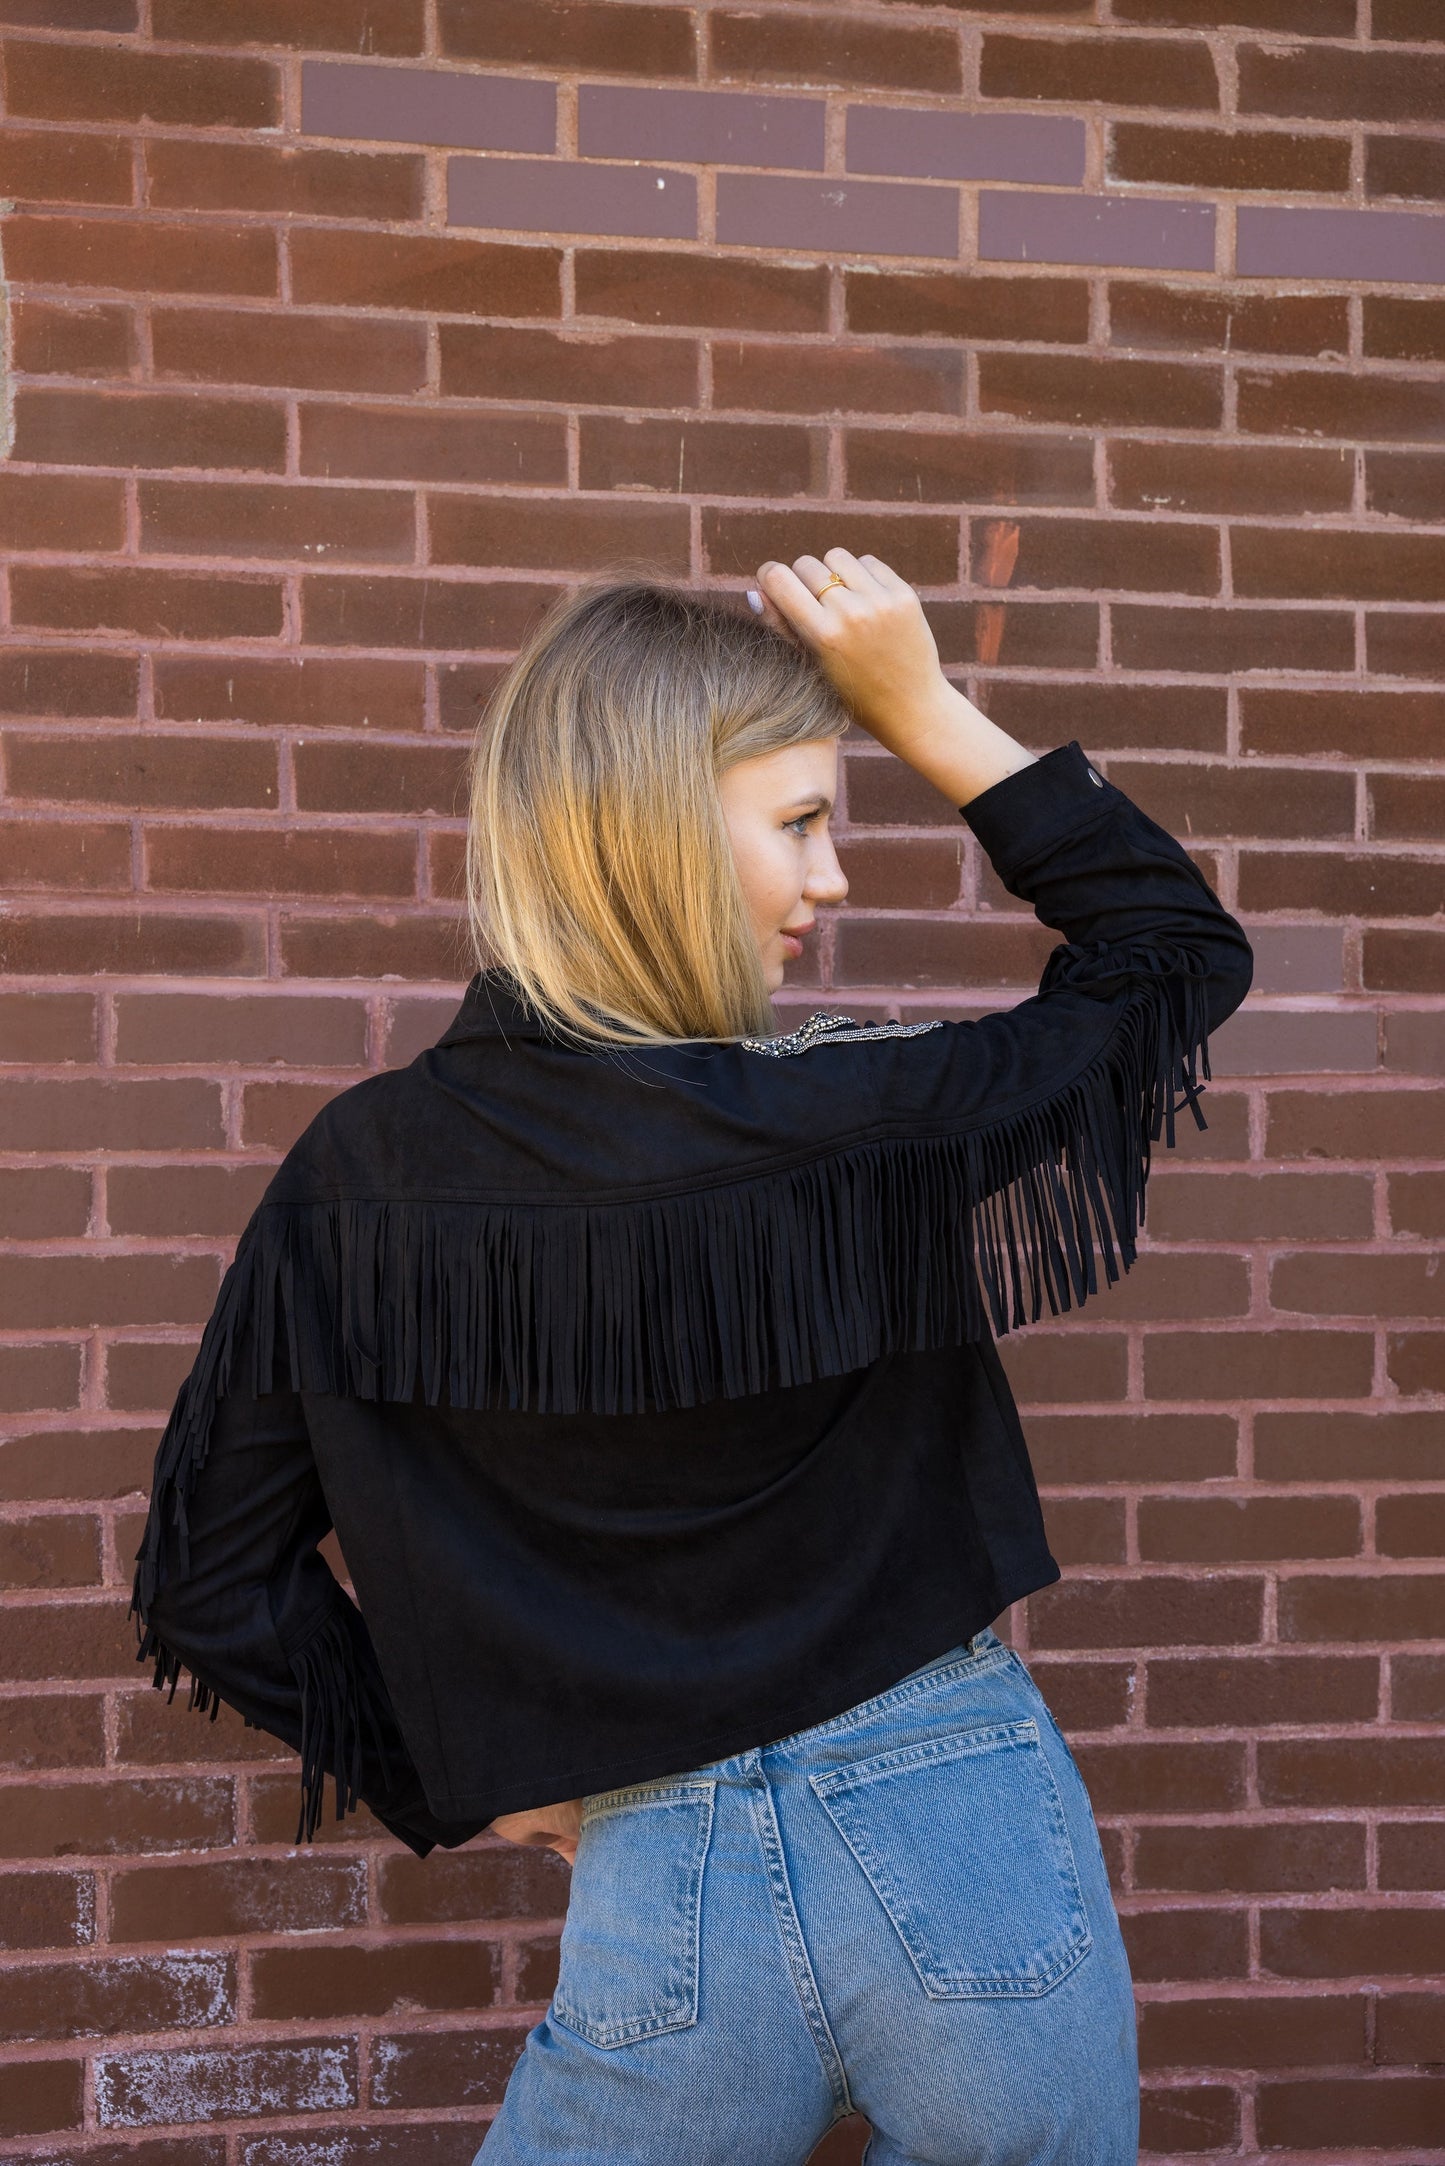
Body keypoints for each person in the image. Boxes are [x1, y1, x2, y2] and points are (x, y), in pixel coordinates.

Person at [130, 549, 1253, 2165]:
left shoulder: (360, 1180)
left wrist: (465, 1776)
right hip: (960, 1819)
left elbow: (210, 1584)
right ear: (654, 825)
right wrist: (920, 706)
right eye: (799, 818)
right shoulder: (847, 1121)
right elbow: (1168, 955)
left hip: (659, 1863)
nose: (834, 877)